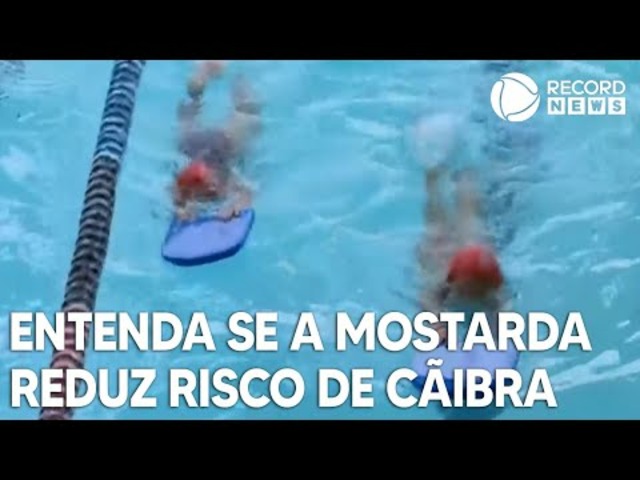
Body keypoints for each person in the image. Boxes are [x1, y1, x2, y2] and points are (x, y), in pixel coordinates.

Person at [413, 115, 507, 345]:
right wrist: (437, 323)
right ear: (454, 281)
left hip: (471, 248)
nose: (473, 294)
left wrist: (498, 331)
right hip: (445, 252)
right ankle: (437, 174)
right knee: (440, 222)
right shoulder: (441, 281)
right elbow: (427, 298)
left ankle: (461, 169)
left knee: (469, 219)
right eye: (470, 289)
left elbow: (504, 309)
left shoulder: (493, 288)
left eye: (477, 290)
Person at [172, 60, 262, 221]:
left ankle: (230, 74)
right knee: (246, 111)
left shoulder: (226, 181)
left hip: (214, 144)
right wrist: (180, 210)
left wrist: (236, 206)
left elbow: (248, 192)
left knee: (248, 112)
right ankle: (217, 75)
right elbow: (248, 192)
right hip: (194, 144)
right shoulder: (185, 187)